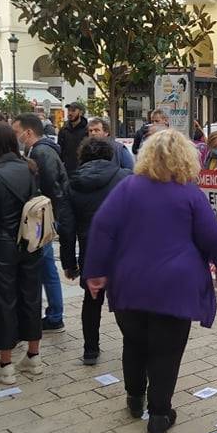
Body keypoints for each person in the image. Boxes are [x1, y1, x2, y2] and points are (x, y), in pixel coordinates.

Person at [83, 129, 217, 433]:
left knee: (134, 342)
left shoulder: (127, 188)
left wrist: (95, 272)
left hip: (129, 281)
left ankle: (135, 398)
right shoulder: (189, 192)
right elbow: (214, 236)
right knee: (167, 350)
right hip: (176, 286)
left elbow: (101, 227)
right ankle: (160, 414)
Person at [0, 123, 44, 385]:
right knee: (31, 296)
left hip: (0, 244)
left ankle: (5, 364)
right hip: (30, 240)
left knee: (2, 301)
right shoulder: (29, 168)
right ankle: (33, 356)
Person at [62, 136, 132, 365]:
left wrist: (69, 263)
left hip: (90, 249)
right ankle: (132, 344)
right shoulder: (125, 178)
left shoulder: (72, 183)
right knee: (126, 301)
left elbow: (66, 228)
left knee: (91, 300)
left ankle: (90, 349)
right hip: (122, 249)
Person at [13, 113, 75, 334]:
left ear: (28, 132)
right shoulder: (41, 150)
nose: (15, 136)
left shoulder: (40, 152)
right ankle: (55, 314)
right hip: (48, 216)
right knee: (47, 267)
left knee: (45, 267)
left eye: (16, 132)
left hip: (44, 218)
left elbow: (50, 186)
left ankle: (54, 315)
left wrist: (51, 216)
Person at [57, 101, 88, 173]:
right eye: (69, 110)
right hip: (66, 170)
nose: (70, 113)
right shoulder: (64, 129)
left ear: (81, 112)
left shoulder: (87, 130)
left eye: (73, 111)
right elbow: (60, 149)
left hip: (83, 170)